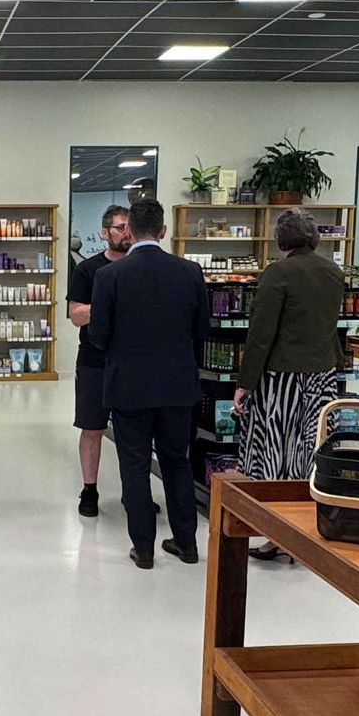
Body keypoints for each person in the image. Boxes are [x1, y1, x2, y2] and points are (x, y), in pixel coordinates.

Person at [89, 197, 209, 569]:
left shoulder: (109, 276)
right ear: (163, 231)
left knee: (135, 464)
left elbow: (98, 335)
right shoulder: (189, 273)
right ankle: (187, 544)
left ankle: (143, 548)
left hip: (129, 387)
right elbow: (202, 329)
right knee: (176, 462)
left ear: (130, 231)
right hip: (177, 386)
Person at [234, 207, 349, 561]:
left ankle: (277, 532)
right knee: (310, 449)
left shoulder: (278, 273)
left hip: (281, 378)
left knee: (275, 452)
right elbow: (332, 327)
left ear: (280, 239)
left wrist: (245, 383)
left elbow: (261, 335)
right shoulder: (333, 272)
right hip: (322, 375)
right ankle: (308, 528)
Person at [66, 203, 131, 516]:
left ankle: (134, 491)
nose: (125, 232)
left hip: (134, 363)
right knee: (92, 427)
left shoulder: (140, 268)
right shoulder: (87, 270)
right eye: (119, 227)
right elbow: (75, 315)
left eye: (129, 226)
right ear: (105, 232)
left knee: (133, 431)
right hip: (94, 361)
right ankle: (89, 489)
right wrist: (103, 306)